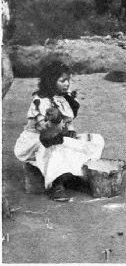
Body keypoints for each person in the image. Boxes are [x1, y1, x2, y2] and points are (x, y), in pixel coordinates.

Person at [13, 61, 105, 201]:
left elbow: (69, 121)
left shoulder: (63, 98)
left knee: (95, 140)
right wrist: (55, 122)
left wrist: (71, 132)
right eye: (62, 81)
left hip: (59, 135)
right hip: (38, 140)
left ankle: (71, 175)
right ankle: (55, 184)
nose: (67, 84)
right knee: (57, 148)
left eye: (68, 80)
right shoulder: (40, 101)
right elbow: (45, 130)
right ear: (51, 81)